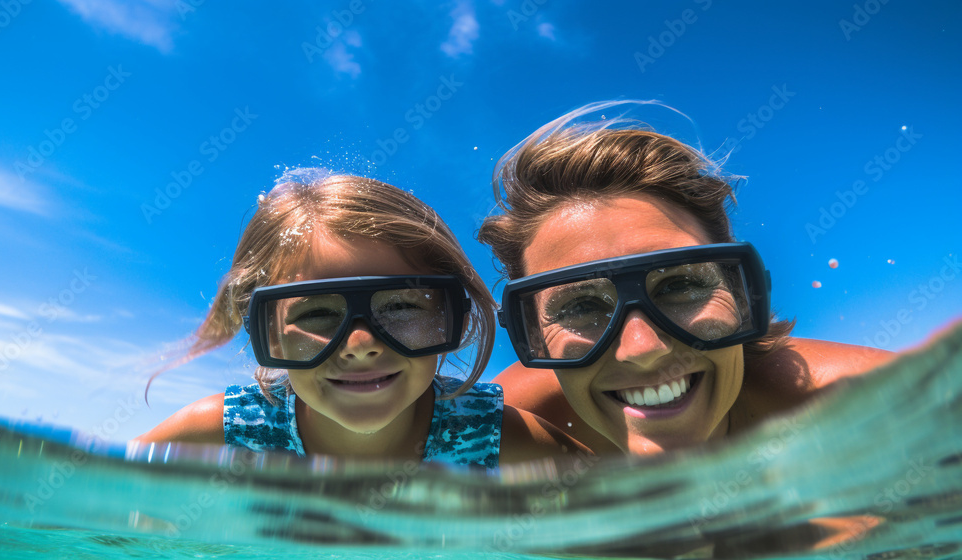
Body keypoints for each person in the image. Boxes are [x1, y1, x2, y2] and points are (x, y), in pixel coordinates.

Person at [478, 102, 895, 457]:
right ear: (533, 335)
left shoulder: (869, 406)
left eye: (681, 286)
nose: (642, 350)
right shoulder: (504, 429)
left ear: (742, 295)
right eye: (581, 307)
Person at [136, 171, 587, 468]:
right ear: (264, 331)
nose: (359, 343)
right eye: (315, 313)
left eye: (401, 307)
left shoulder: (498, 438)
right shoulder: (219, 435)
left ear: (454, 317)